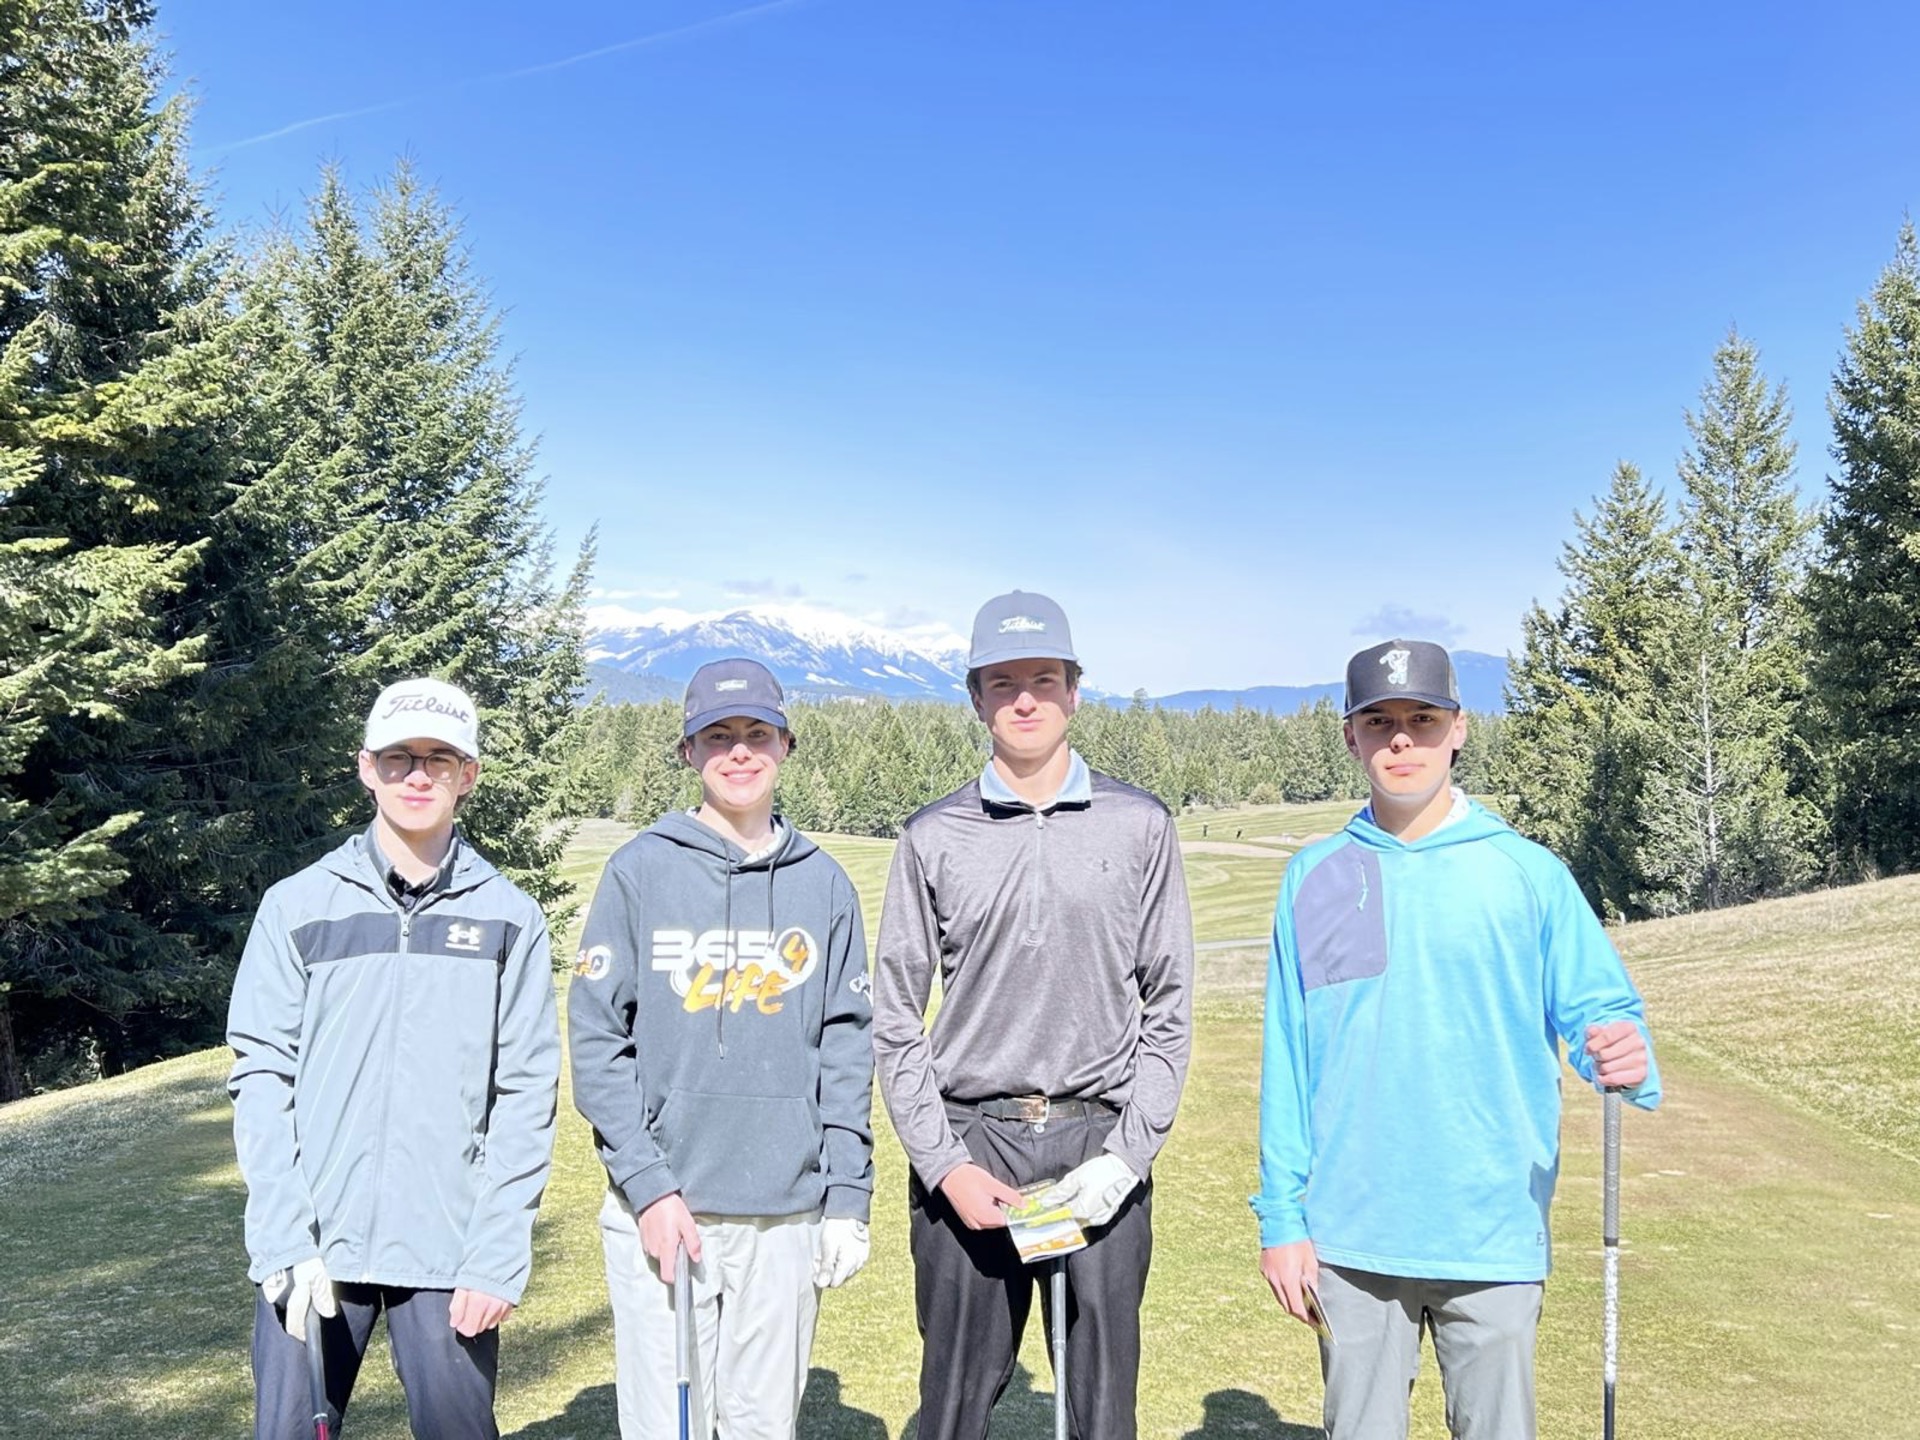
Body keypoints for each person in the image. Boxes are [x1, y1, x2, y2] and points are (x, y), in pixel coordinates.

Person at [1252, 639, 1662, 1440]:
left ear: (1459, 729)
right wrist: (1282, 1220)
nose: (1402, 739)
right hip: (1351, 1234)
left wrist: (1621, 1052)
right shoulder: (1314, 876)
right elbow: (1289, 1062)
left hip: (1492, 1228)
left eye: (1423, 719)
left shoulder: (1529, 872)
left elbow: (1602, 1014)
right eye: (1380, 722)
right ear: (1351, 736)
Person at [873, 589, 1194, 1440]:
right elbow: (896, 1018)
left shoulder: (1140, 826)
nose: (1025, 699)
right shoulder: (933, 835)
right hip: (973, 1144)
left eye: (1044, 679)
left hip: (1099, 1146)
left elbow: (1169, 1005)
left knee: (1102, 1413)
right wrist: (943, 1165)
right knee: (951, 1408)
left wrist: (1129, 1155)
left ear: (1074, 691)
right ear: (976, 698)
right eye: (1003, 682)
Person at [227, 677, 560, 1440]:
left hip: (450, 1249)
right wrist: (282, 1236)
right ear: (366, 768)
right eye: (398, 757)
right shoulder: (297, 905)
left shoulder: (510, 918)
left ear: (468, 775)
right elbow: (262, 1074)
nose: (417, 775)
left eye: (439, 759)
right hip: (313, 1242)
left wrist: (496, 1254)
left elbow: (525, 1094)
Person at [568, 658, 875, 1440]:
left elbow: (847, 1050)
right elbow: (599, 1041)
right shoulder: (640, 870)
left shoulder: (825, 886)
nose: (740, 751)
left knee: (762, 1429)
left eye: (757, 734)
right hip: (665, 1211)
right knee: (665, 1430)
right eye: (718, 736)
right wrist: (648, 1187)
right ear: (688, 751)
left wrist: (848, 1198)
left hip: (785, 1217)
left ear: (785, 745)